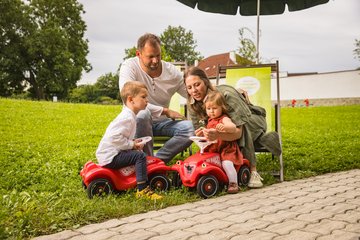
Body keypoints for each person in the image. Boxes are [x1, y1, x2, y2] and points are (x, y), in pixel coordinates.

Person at [184, 67, 282, 188]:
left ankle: (253, 171)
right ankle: (225, 166)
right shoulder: (193, 104)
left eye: (197, 85)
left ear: (206, 82)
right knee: (224, 128)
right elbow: (203, 130)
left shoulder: (226, 94)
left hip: (253, 121)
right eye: (189, 87)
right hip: (222, 128)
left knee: (241, 125)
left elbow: (238, 133)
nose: (194, 90)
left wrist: (218, 135)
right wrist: (203, 133)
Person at [119, 33, 194, 163]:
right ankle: (144, 159)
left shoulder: (172, 72)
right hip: (134, 123)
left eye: (158, 55)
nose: (155, 60)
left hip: (162, 123)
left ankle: (154, 162)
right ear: (139, 54)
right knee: (143, 113)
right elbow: (129, 99)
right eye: (151, 57)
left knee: (190, 128)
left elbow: (191, 94)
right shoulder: (129, 67)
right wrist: (164, 110)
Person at [96, 81, 162, 200]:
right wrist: (131, 145)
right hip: (111, 156)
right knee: (140, 157)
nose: (147, 100)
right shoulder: (127, 118)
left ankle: (132, 179)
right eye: (143, 97)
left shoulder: (130, 116)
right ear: (131, 100)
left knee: (138, 154)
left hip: (112, 153)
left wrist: (134, 142)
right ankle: (142, 189)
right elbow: (114, 137)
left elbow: (122, 136)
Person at [196, 90, 244, 193]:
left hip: (225, 148)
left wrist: (225, 127)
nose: (211, 111)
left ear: (222, 107)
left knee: (226, 163)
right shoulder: (209, 120)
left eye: (214, 108)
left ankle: (233, 183)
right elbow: (209, 135)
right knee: (201, 160)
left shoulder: (224, 118)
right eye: (209, 109)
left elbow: (233, 127)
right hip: (213, 148)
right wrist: (202, 133)